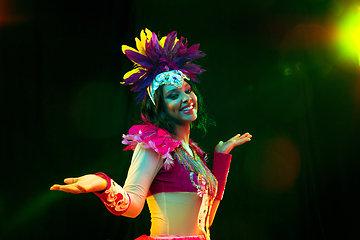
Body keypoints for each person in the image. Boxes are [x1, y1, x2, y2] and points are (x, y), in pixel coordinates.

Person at [50, 29, 252, 240]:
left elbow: (207, 220)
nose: (186, 98)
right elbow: (133, 206)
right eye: (173, 95)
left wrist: (221, 158)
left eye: (188, 90)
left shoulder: (193, 154)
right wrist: (103, 184)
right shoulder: (154, 145)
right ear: (161, 108)